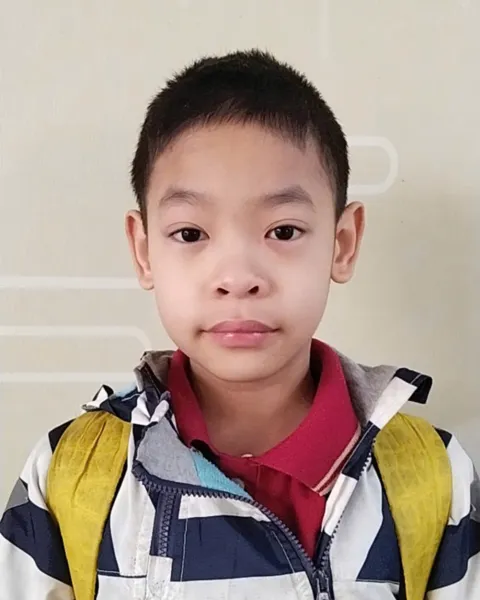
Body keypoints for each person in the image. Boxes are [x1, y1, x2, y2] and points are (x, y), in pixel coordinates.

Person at [0, 50, 478, 600]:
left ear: (342, 243)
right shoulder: (72, 473)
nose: (237, 278)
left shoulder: (430, 476)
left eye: (283, 231)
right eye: (190, 234)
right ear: (144, 250)